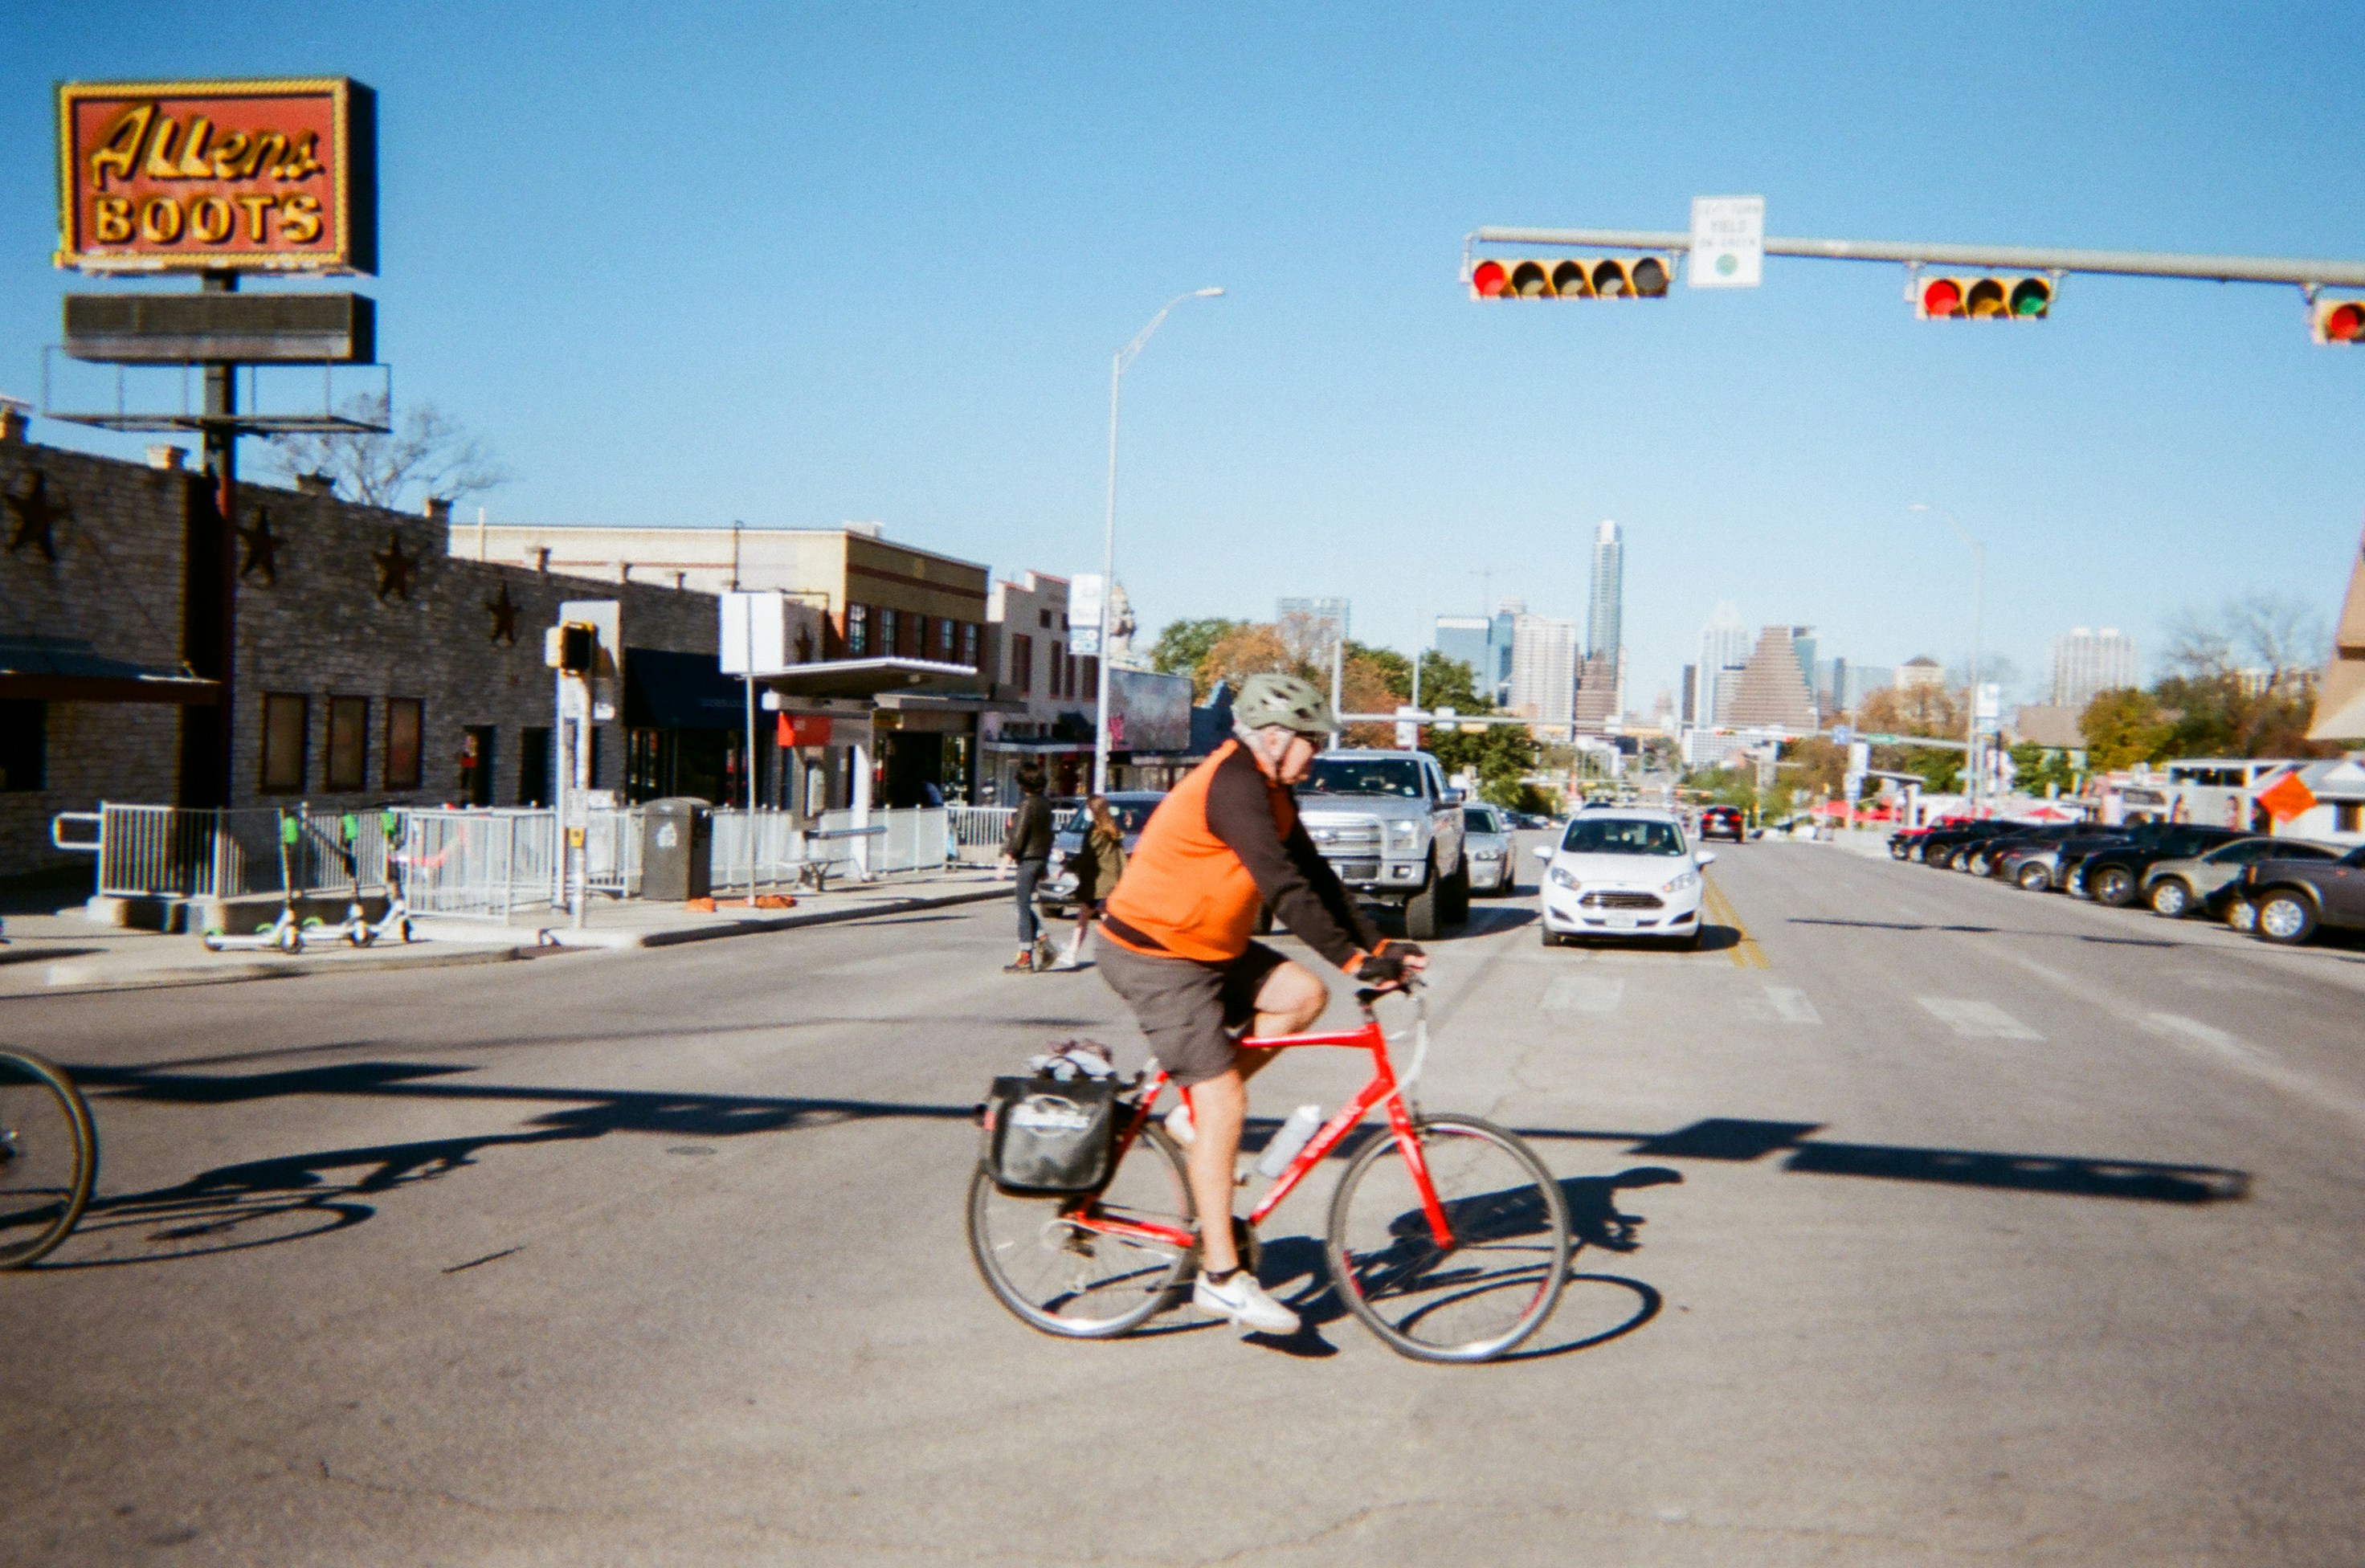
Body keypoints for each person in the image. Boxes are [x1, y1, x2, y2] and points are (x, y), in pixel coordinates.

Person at [1096, 672, 1424, 1337]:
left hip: (1207, 948)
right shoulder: (1235, 785)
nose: (1318, 755)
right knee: (1225, 1105)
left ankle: (1192, 1121)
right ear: (1276, 738)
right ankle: (1220, 1279)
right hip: (1156, 953)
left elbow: (1316, 878)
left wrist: (1381, 940)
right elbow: (1284, 892)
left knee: (1303, 995)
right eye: (1313, 742)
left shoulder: (1274, 789)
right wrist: (1360, 962)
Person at [1049, 794, 1126, 970]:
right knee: (1086, 917)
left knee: (1102, 920)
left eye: (1089, 809)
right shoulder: (1111, 830)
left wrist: (1066, 865)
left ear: (1095, 811)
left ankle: (1123, 953)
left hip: (1098, 884)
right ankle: (1072, 952)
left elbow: (1086, 858)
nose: (1087, 813)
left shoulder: (1096, 834)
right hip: (1106, 883)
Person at [999, 765, 1055, 972]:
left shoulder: (1027, 806)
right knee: (1022, 906)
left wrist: (1004, 863)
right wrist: (1045, 863)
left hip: (1028, 860)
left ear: (1023, 784)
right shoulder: (1046, 805)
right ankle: (1043, 942)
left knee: (1021, 908)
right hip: (1040, 858)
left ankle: (1025, 957)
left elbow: (1018, 837)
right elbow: (1049, 836)